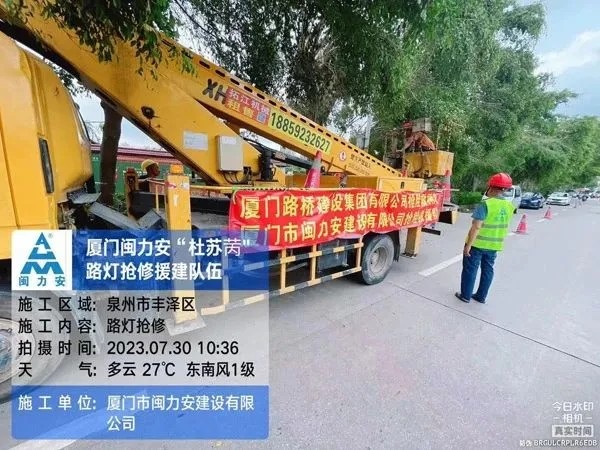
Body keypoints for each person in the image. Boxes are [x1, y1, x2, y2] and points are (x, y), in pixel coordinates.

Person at [455, 172, 515, 304]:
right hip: (494, 245)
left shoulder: (485, 204)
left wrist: (469, 245)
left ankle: (465, 295)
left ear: (491, 187)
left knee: (471, 269)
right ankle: (481, 296)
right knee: (488, 270)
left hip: (477, 244)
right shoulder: (509, 206)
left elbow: (476, 226)